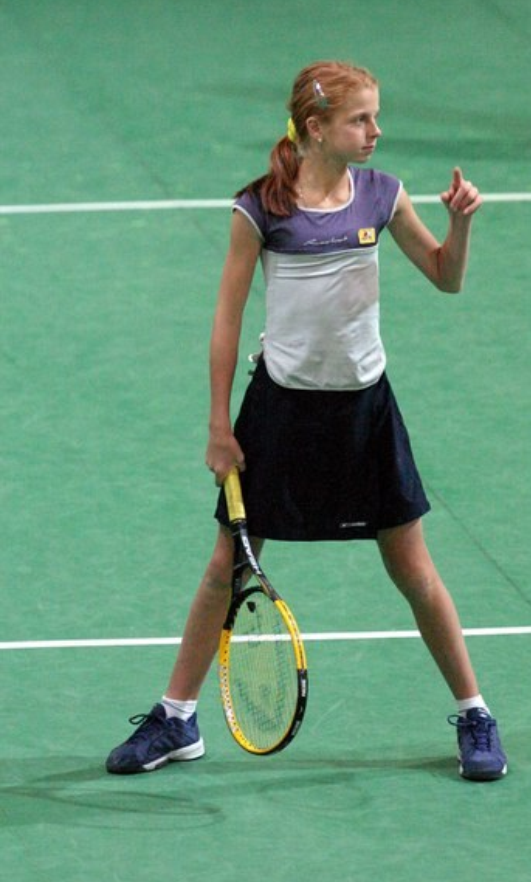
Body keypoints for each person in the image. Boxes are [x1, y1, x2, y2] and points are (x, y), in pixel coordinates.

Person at [106, 60, 507, 781]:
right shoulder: (260, 209)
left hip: (363, 412)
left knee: (412, 568)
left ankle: (475, 713)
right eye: (360, 120)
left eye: (376, 117)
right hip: (281, 414)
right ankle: (176, 718)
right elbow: (227, 321)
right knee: (227, 566)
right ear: (315, 129)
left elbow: (446, 277)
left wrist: (459, 225)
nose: (375, 131)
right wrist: (218, 426)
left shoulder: (382, 196)